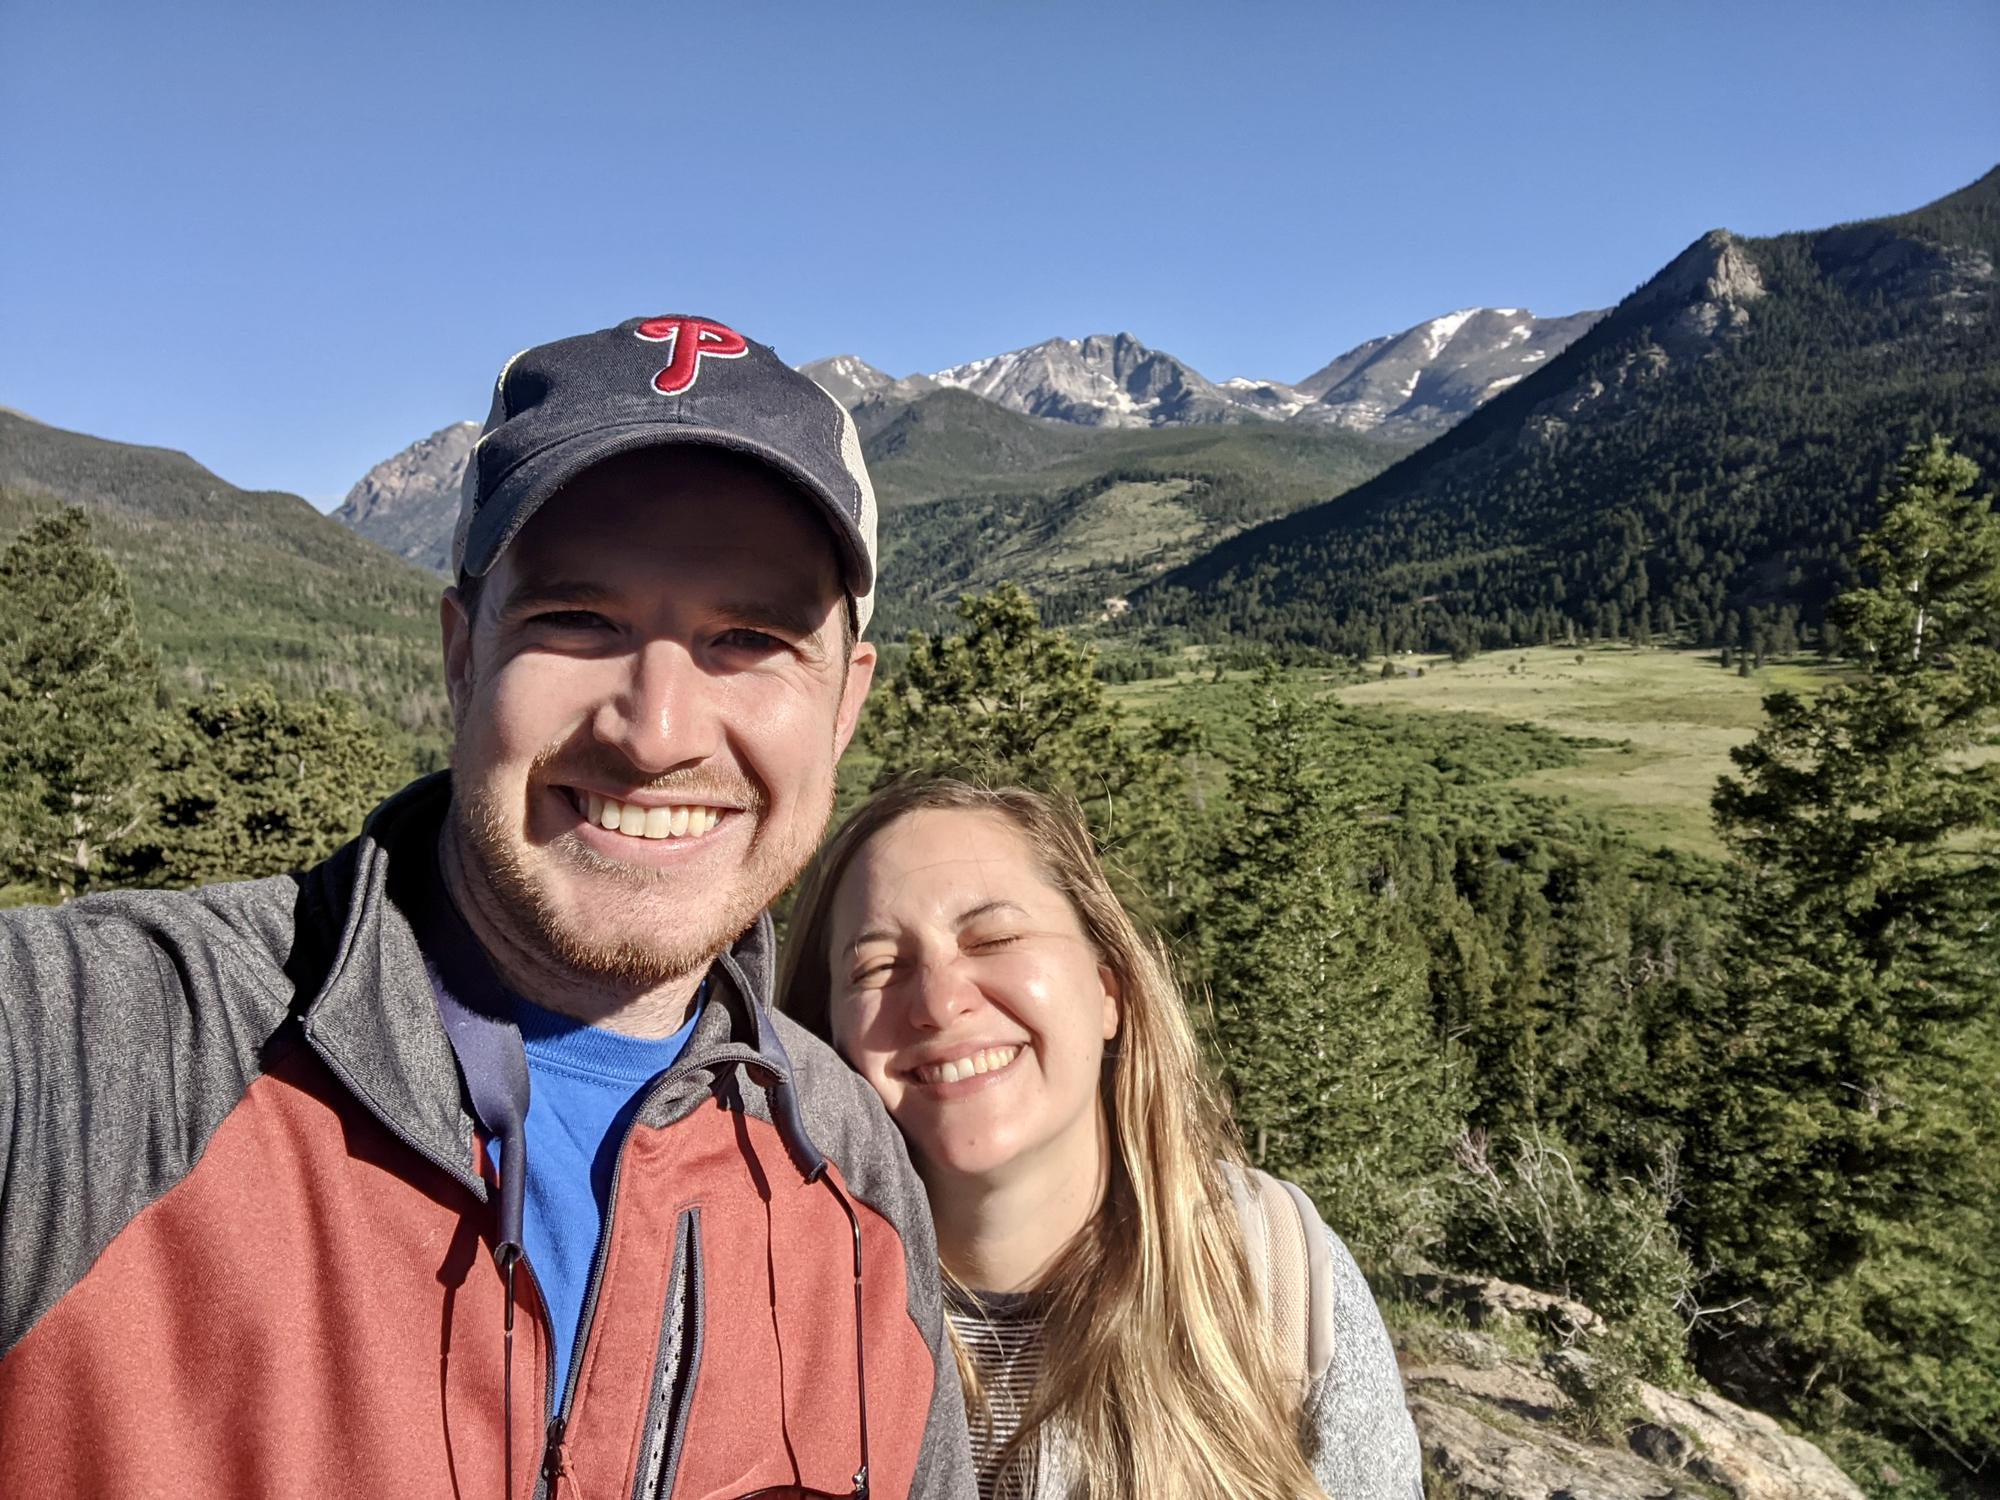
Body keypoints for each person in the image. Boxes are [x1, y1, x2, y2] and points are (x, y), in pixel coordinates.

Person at [0, 315, 977, 1499]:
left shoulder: (851, 1177)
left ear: (843, 706)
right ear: (463, 657)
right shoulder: (114, 1055)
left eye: (750, 639)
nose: (654, 731)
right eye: (577, 620)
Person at [778, 779, 1426, 1500]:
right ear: (826, 1035)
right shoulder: (778, 1313)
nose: (937, 1002)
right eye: (878, 968)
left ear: (1109, 991)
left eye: (995, 938)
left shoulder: (1273, 1276)